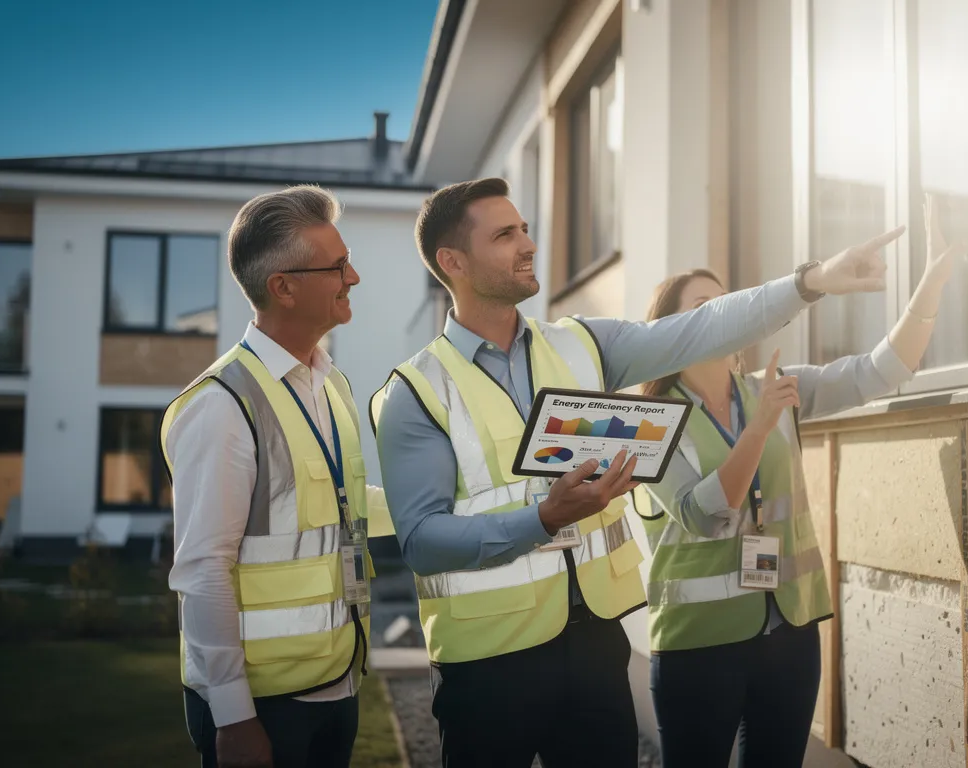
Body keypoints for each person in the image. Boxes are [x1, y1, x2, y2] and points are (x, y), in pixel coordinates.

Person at [368, 176, 905, 767]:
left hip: (594, 646)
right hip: (486, 663)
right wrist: (543, 519)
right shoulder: (414, 392)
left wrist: (811, 281)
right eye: (504, 234)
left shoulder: (581, 346)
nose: (528, 243)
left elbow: (702, 327)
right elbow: (419, 540)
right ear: (453, 262)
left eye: (524, 228)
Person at [633, 195, 962, 767]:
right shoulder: (647, 421)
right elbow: (705, 514)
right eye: (705, 305)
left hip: (789, 636)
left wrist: (930, 286)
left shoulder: (774, 389)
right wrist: (758, 430)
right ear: (670, 330)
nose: (723, 314)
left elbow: (880, 370)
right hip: (697, 646)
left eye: (728, 303)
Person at [162, 185, 393, 768]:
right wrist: (234, 718)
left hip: (337, 679)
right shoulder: (221, 404)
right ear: (283, 288)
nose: (355, 277)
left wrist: (442, 503)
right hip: (263, 707)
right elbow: (203, 569)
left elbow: (343, 504)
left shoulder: (328, 381)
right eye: (338, 266)